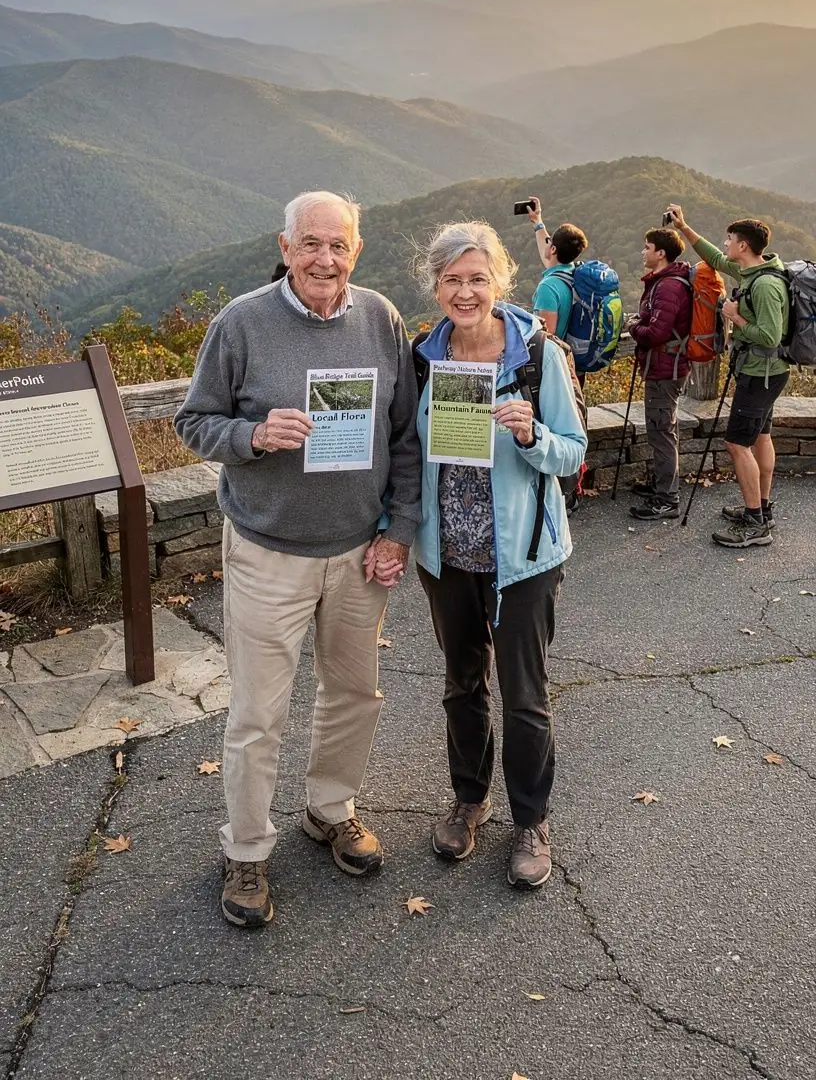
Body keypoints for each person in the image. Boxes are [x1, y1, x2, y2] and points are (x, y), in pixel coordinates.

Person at [175, 190, 421, 928]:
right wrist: (251, 437)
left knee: (354, 693)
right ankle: (246, 851)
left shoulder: (380, 318)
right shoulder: (242, 322)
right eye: (310, 243)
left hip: (357, 551)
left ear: (357, 248)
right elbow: (194, 421)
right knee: (258, 714)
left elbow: (405, 435)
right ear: (284, 247)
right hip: (267, 552)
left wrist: (398, 530)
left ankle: (329, 809)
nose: (324, 258)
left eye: (338, 244)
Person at [412, 222, 587, 889]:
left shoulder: (536, 356)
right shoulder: (424, 358)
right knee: (462, 686)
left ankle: (531, 820)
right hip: (450, 554)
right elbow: (407, 451)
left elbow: (571, 450)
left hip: (526, 556)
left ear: (500, 281)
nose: (464, 291)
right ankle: (469, 801)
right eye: (452, 280)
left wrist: (532, 433)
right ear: (436, 286)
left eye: (477, 278)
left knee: (524, 697)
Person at [665, 205, 790, 548]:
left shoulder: (764, 286)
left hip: (760, 373)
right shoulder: (752, 271)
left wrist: (733, 316)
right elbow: (716, 259)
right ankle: (762, 507)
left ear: (744, 246)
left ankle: (755, 523)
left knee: (737, 443)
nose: (726, 243)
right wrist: (684, 227)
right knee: (761, 436)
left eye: (731, 239)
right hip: (766, 373)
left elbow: (770, 336)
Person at [627, 227, 693, 521]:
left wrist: (632, 327)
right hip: (668, 366)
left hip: (665, 369)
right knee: (665, 427)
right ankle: (662, 487)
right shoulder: (665, 282)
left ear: (661, 253)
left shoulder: (668, 287)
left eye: (647, 246)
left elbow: (655, 333)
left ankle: (667, 499)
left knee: (661, 431)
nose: (643, 252)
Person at [526, 199, 588, 342]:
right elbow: (547, 256)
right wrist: (537, 222)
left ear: (553, 249)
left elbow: (546, 335)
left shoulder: (548, 287)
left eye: (550, 242)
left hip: (552, 359)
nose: (547, 243)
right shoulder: (573, 274)